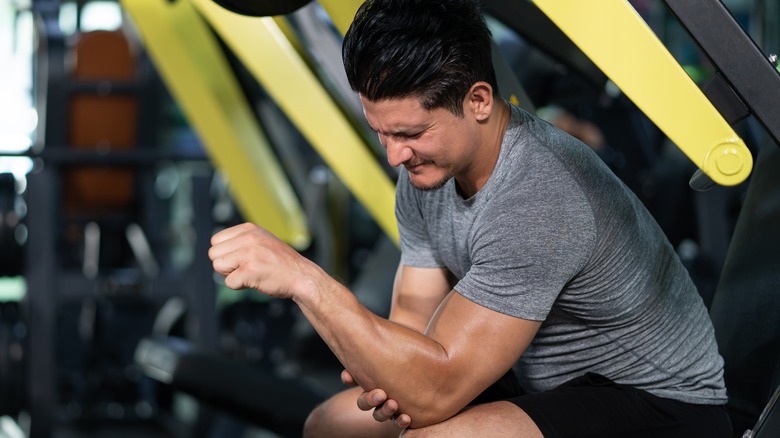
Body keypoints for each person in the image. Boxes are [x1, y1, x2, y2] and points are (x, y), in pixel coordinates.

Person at [209, 0, 731, 436]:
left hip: (657, 401)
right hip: (538, 380)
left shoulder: (540, 195)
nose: (394, 156)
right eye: (382, 134)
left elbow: (436, 388)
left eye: (411, 134)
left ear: (478, 100)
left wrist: (304, 280)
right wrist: (383, 362)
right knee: (332, 426)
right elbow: (412, 323)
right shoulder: (425, 174)